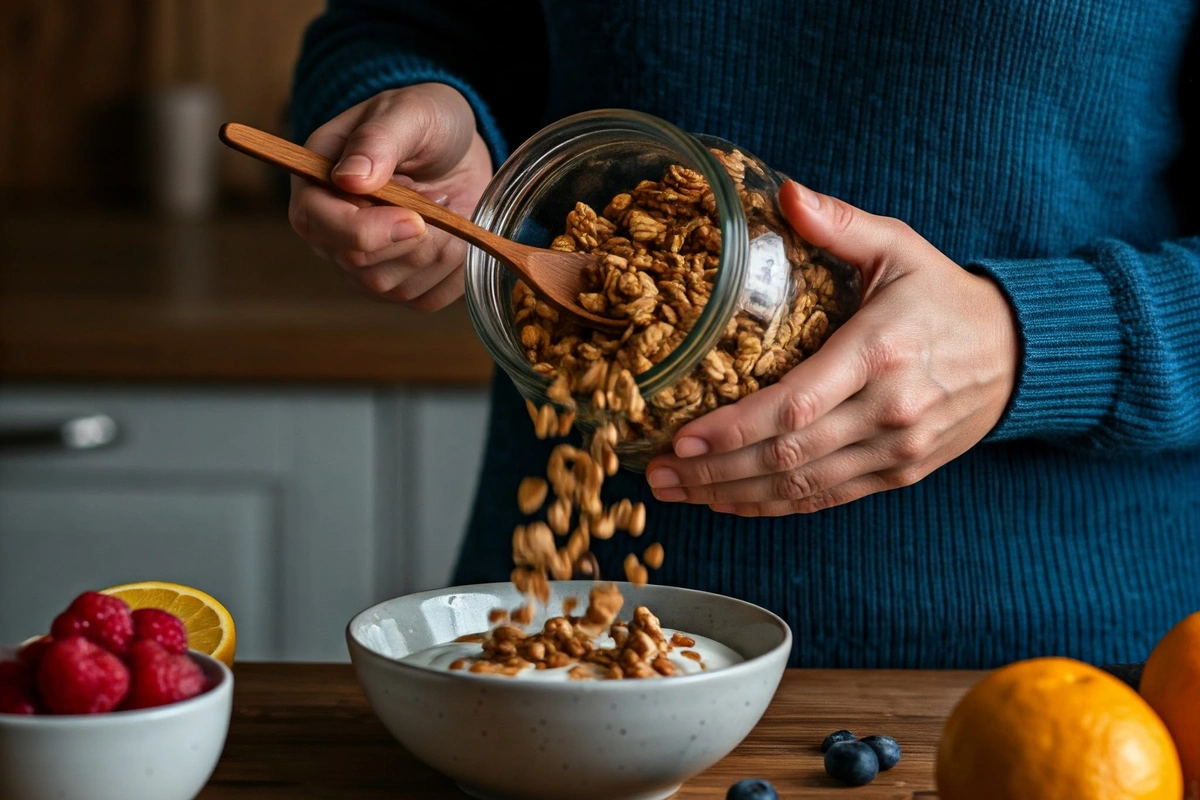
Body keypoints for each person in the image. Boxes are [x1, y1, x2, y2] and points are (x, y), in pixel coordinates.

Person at [288, 1, 1200, 669]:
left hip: (1066, 679)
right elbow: (402, 23)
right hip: (579, 639)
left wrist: (1032, 342)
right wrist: (410, 106)